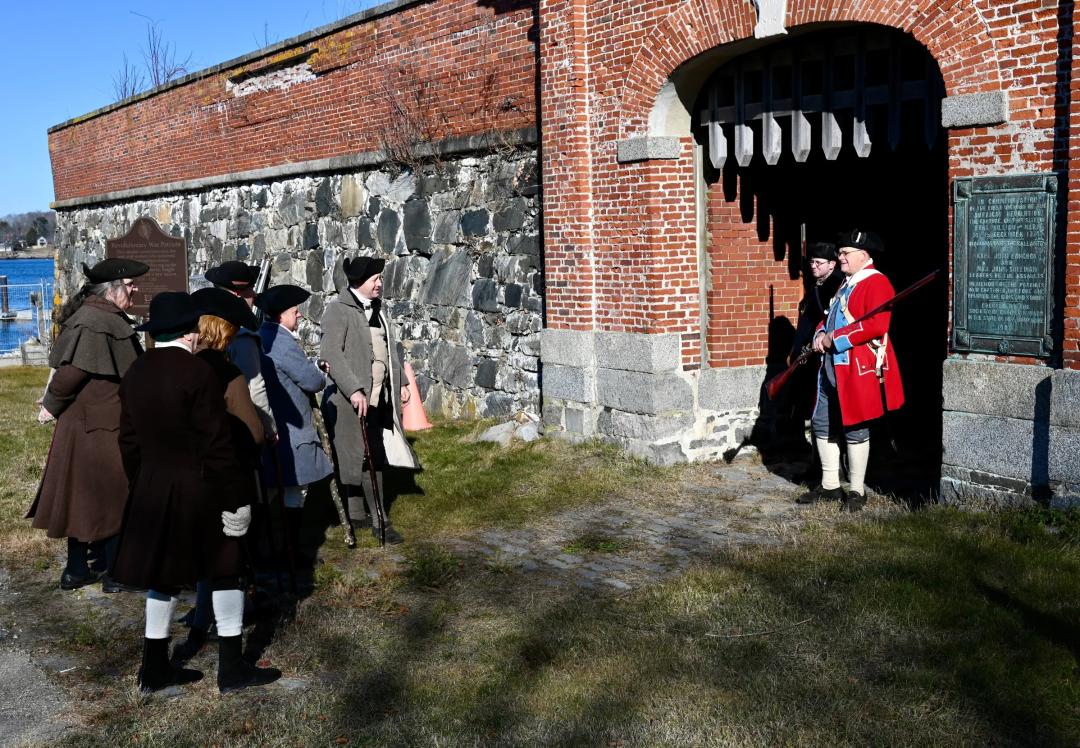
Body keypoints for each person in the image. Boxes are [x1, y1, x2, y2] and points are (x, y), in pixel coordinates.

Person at [110, 292, 280, 694]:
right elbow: (217, 445)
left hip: (153, 487)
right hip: (203, 488)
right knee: (225, 571)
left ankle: (153, 670)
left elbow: (128, 442)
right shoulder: (198, 373)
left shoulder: (136, 372)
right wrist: (238, 499)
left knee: (162, 578)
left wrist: (143, 482)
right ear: (190, 333)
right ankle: (232, 669)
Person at [27, 257, 148, 592]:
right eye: (130, 285)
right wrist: (51, 405)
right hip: (96, 427)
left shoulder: (101, 316)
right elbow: (70, 374)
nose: (135, 289)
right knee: (112, 497)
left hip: (93, 425)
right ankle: (112, 574)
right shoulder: (96, 320)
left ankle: (77, 570)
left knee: (84, 499)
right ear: (112, 290)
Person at [171, 287, 265, 665]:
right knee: (228, 559)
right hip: (224, 477)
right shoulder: (227, 374)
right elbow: (251, 431)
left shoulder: (179, 367)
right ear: (224, 332)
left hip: (181, 477)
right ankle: (227, 649)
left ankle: (197, 619)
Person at [798, 229, 905, 511]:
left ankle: (857, 490)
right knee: (822, 423)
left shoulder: (877, 283)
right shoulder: (846, 284)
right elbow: (830, 316)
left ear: (863, 256)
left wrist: (834, 338)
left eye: (845, 254)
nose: (840, 258)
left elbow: (876, 326)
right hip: (831, 366)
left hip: (856, 366)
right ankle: (830, 485)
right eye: (841, 253)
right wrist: (819, 335)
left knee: (856, 427)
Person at [320, 256, 418, 545]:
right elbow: (331, 355)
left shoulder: (378, 310)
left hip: (379, 398)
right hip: (351, 401)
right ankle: (372, 519)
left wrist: (399, 382)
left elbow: (390, 349)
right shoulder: (337, 311)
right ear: (359, 281)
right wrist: (353, 389)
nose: (380, 283)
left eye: (380, 278)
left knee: (373, 455)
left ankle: (370, 516)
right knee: (357, 455)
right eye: (375, 279)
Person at [256, 284, 333, 537]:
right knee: (294, 490)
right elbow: (312, 381)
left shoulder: (261, 335)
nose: (299, 315)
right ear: (280, 316)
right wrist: (320, 371)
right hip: (290, 430)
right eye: (294, 311)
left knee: (267, 490)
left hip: (269, 424)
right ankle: (292, 553)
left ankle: (265, 548)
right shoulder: (282, 342)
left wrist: (310, 364)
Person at [204, 261, 276, 441]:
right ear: (238, 293)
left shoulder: (205, 324)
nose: (254, 294)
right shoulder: (241, 336)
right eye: (250, 289)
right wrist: (270, 428)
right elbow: (254, 388)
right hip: (237, 423)